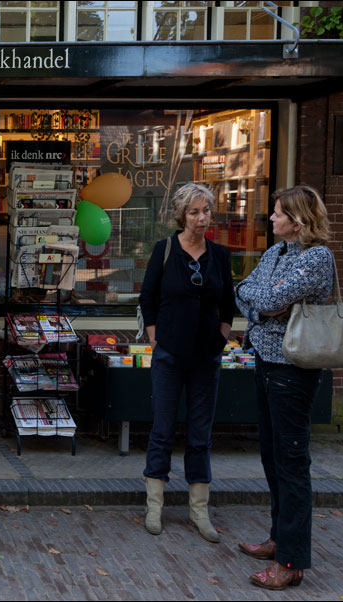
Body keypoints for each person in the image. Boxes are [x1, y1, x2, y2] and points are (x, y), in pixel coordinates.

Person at [234, 186, 334, 590]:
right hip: (264, 360)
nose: (270, 219)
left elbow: (275, 298)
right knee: (272, 456)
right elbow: (245, 292)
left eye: (277, 214)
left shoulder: (316, 258)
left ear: (298, 220)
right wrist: (266, 304)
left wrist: (267, 302)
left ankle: (291, 561)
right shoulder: (275, 254)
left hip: (294, 368)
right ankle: (279, 539)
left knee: (292, 463)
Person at [138, 183, 235, 542]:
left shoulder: (220, 255)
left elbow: (228, 302)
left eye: (206, 211)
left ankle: (199, 510)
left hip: (206, 357)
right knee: (162, 430)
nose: (201, 218)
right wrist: (153, 335)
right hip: (169, 355)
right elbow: (148, 296)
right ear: (182, 215)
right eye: (194, 212)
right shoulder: (164, 250)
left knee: (200, 434)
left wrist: (222, 334)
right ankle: (154, 506)